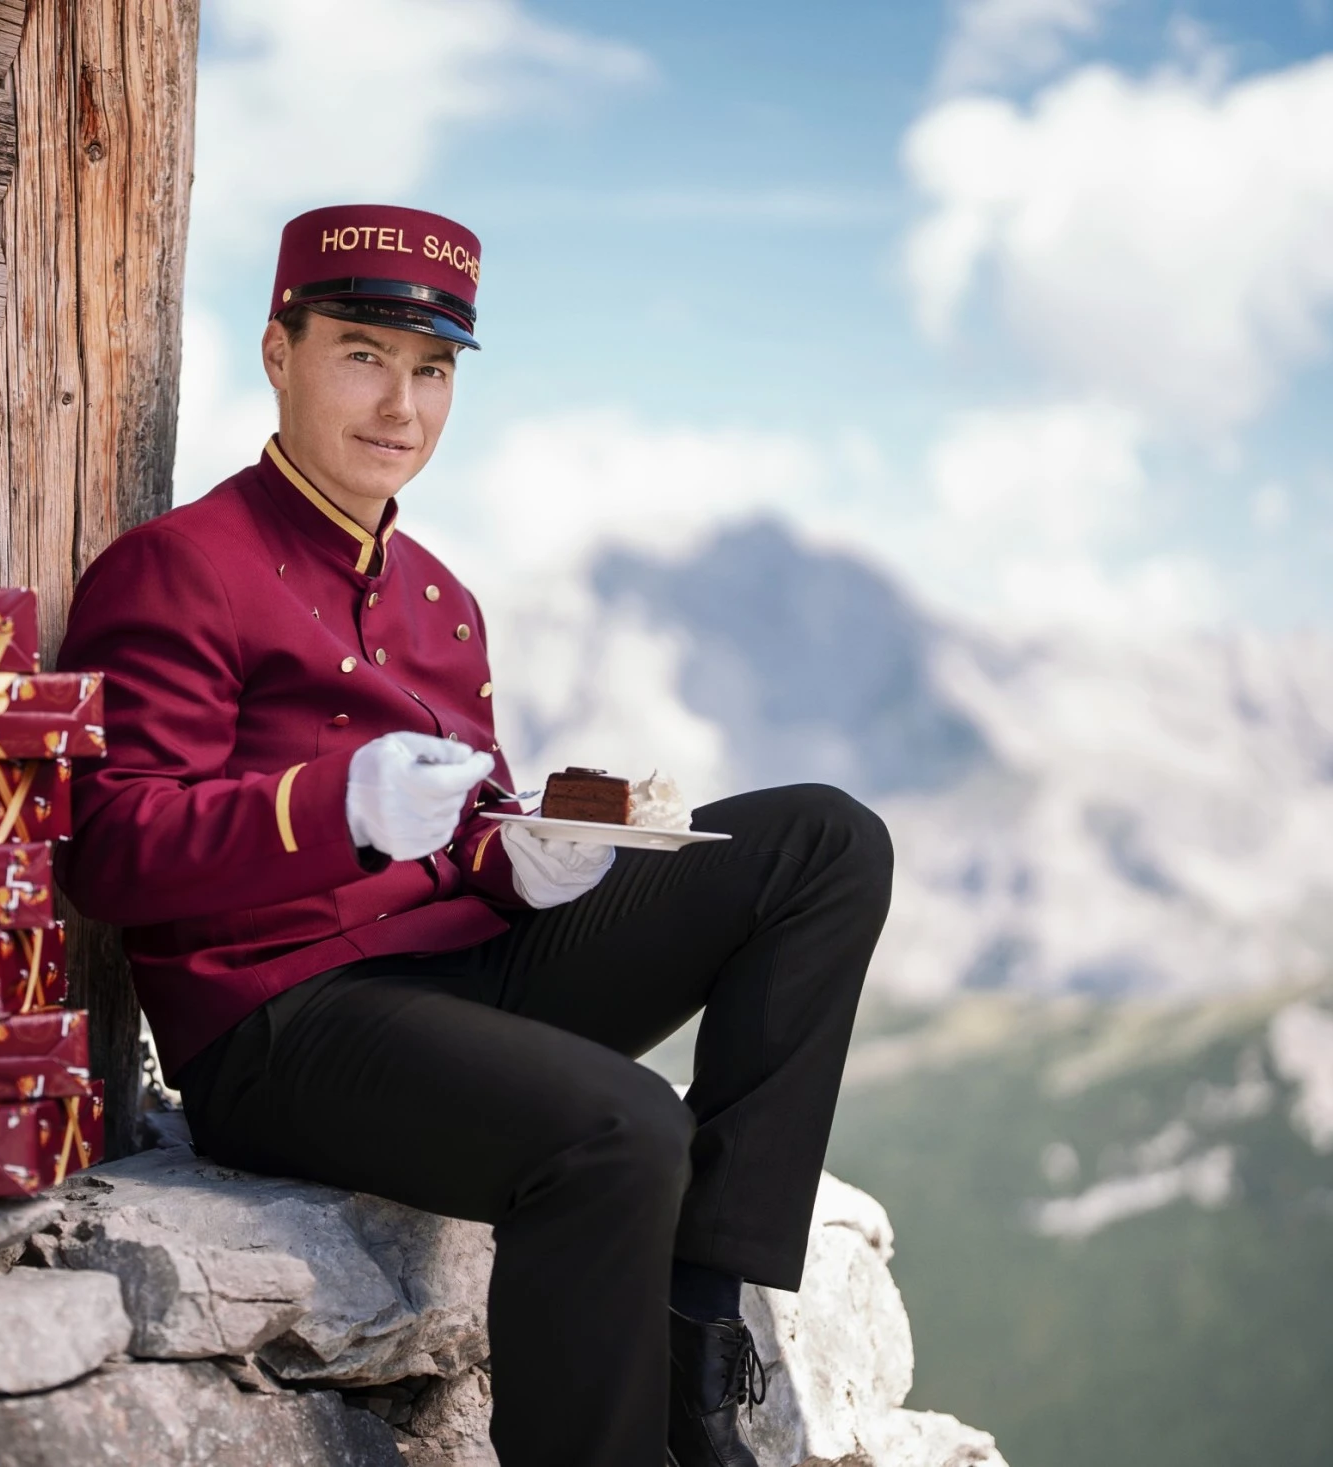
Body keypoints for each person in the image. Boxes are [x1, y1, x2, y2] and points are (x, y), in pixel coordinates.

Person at [56, 204, 892, 1467]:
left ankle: (698, 1324)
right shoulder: (178, 566)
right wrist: (327, 809)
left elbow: (469, 833)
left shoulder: (439, 596)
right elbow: (109, 848)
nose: (401, 404)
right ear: (277, 354)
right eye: (362, 355)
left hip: (456, 985)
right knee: (626, 1129)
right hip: (283, 1021)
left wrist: (531, 862)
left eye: (433, 370)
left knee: (824, 840)